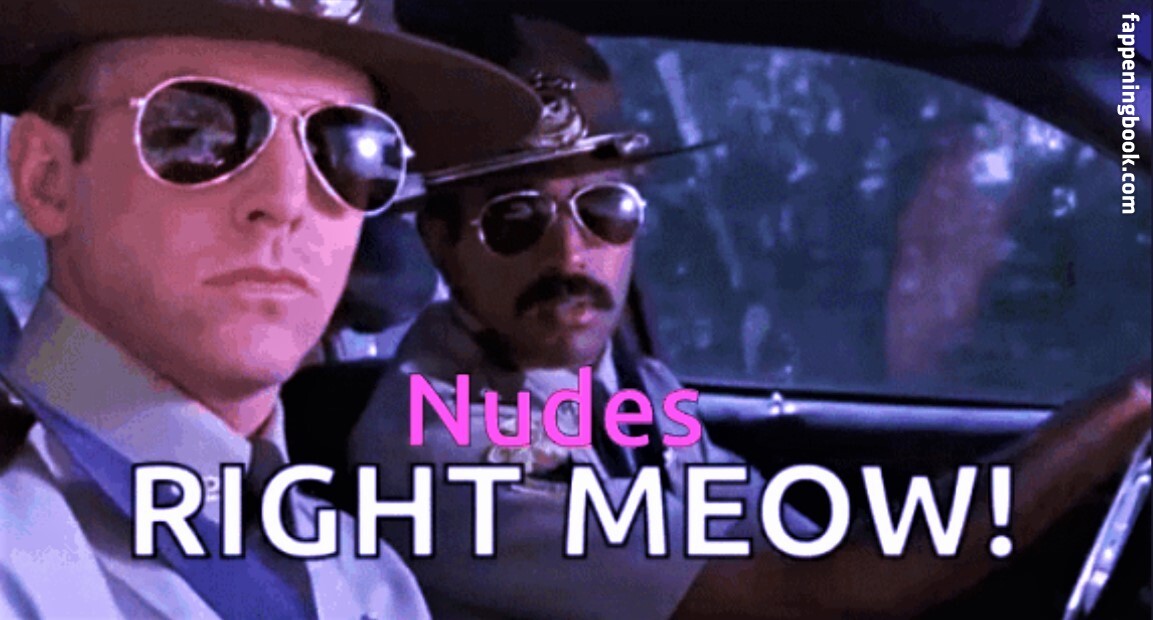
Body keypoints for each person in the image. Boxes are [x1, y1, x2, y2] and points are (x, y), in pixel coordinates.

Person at [345, 17, 1153, 620]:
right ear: (441, 239)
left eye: (606, 207)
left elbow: (792, 536)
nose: (570, 253)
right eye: (515, 218)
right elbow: (824, 587)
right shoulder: (439, 450)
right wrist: (1133, 403)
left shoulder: (621, 385)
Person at [0, 0, 541, 618]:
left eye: (349, 151)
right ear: (47, 177)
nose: (287, 199)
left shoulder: (364, 574)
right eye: (199, 135)